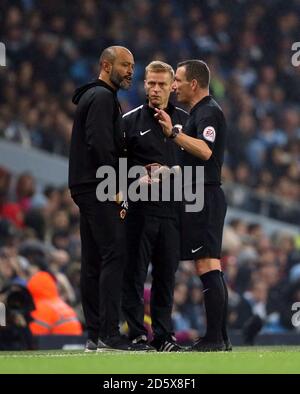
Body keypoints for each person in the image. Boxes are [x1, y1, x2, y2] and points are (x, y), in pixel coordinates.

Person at [68, 46, 145, 351]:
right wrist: (113, 184)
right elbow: (100, 144)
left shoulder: (97, 96)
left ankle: (94, 333)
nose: (130, 71)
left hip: (85, 186)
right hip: (98, 187)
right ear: (105, 65)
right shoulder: (101, 97)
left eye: (132, 66)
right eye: (125, 65)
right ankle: (109, 333)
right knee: (115, 254)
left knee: (93, 260)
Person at [155, 59, 231, 351]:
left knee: (208, 264)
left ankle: (214, 338)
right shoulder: (198, 113)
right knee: (209, 265)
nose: (173, 87)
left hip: (206, 196)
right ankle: (219, 338)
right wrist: (168, 172)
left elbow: (205, 151)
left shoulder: (208, 112)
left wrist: (174, 134)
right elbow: (193, 163)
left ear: (194, 84)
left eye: (178, 81)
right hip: (200, 193)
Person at [122, 61, 188, 351]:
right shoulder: (129, 122)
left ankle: (163, 336)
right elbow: (117, 166)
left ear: (172, 86)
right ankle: (136, 334)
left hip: (172, 213)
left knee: (165, 277)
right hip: (140, 212)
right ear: (144, 84)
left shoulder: (187, 121)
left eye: (162, 84)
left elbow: (198, 164)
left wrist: (170, 172)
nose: (156, 89)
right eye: (151, 83)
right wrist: (139, 174)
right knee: (134, 274)